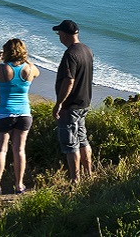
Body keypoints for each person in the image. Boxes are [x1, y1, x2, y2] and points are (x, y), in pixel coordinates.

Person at [0, 37, 39, 195]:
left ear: (7, 52)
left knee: (1, 151)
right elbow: (38, 73)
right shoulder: (30, 68)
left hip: (4, 113)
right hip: (24, 114)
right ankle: (19, 185)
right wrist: (26, 60)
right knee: (19, 150)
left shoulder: (2, 68)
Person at [52, 19, 94, 184]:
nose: (59, 37)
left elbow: (69, 80)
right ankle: (88, 174)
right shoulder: (87, 50)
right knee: (82, 139)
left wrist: (59, 103)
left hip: (71, 106)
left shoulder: (70, 54)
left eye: (59, 34)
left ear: (64, 34)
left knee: (71, 144)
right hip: (84, 102)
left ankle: (75, 180)